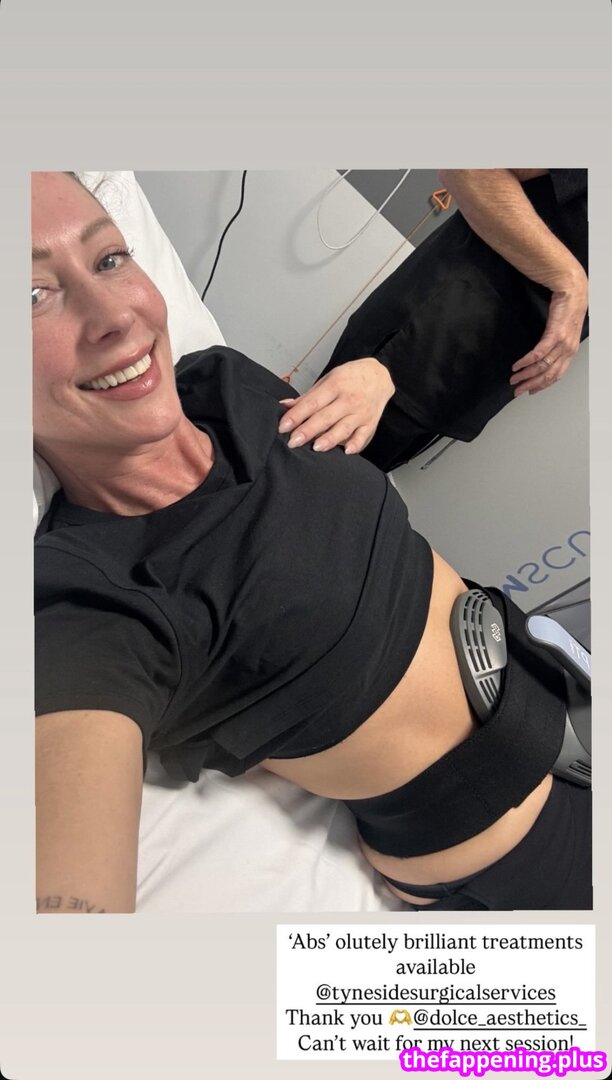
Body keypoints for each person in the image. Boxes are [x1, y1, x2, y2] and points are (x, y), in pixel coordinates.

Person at [34, 172, 591, 914]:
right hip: (522, 846)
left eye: (109, 259)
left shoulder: (220, 382)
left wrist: (377, 377)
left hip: (557, 700)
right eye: (30, 296)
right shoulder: (95, 599)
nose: (115, 315)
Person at [279, 168, 588, 472]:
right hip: (410, 351)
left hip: (467, 387)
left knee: (335, 488)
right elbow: (471, 171)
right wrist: (571, 281)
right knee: (296, 473)